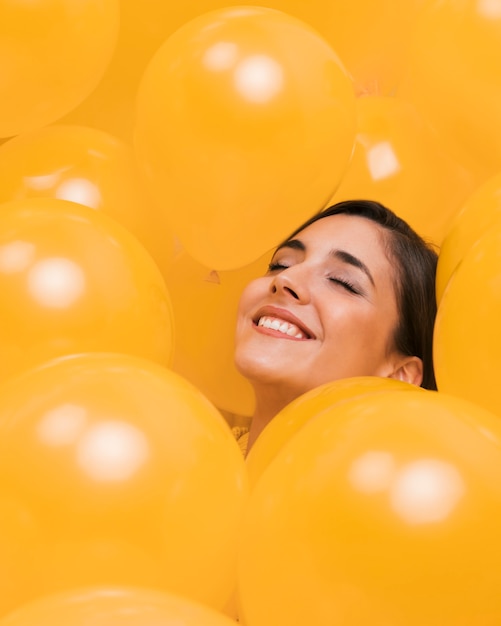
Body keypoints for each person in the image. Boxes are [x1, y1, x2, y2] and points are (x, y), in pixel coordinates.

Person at [233, 199, 438, 454]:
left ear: (401, 375)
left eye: (341, 282)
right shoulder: (183, 460)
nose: (286, 278)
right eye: (281, 264)